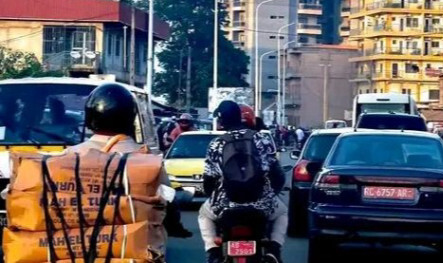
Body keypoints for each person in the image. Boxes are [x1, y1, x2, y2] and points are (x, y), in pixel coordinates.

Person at [67, 83, 193, 238]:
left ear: (90, 117)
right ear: (131, 118)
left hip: (78, 245)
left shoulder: (68, 156)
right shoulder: (148, 161)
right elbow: (167, 199)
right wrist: (175, 227)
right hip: (134, 245)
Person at [199, 101, 287, 263]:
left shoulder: (216, 144)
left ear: (221, 120)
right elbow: (277, 174)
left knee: (204, 215)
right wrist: (270, 193)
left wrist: (213, 195)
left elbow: (209, 180)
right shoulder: (262, 139)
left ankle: (213, 253)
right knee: (282, 212)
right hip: (261, 204)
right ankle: (273, 249)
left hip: (226, 206)